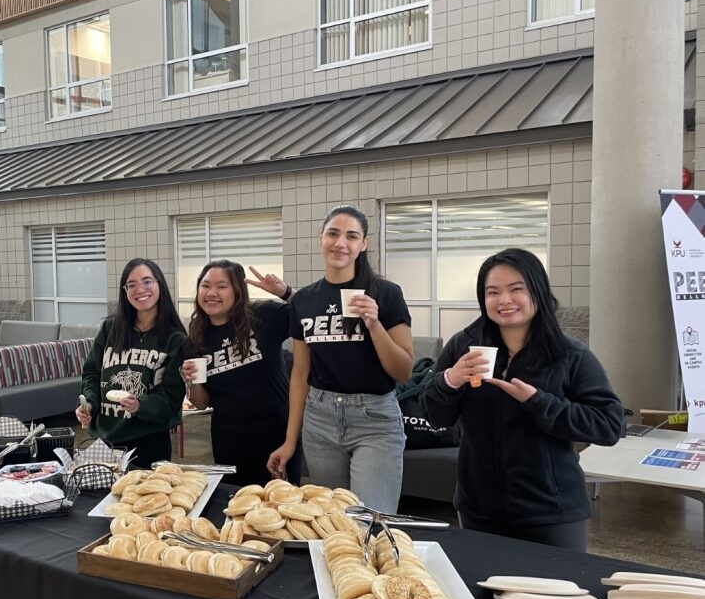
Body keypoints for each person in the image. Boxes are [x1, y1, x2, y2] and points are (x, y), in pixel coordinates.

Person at [422, 248, 624, 552]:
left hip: (552, 512)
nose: (504, 300)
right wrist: (450, 380)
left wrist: (538, 402)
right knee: (483, 595)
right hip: (479, 509)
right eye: (493, 292)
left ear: (537, 291)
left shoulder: (568, 354)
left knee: (557, 596)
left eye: (516, 289)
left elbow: (609, 425)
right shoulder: (464, 346)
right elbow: (434, 415)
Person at [267, 205, 414, 514]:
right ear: (321, 239)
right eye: (333, 234)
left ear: (364, 244)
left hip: (374, 417)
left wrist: (374, 324)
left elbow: (402, 370)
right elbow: (300, 374)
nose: (340, 243)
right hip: (320, 418)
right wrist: (290, 441)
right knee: (331, 520)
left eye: (351, 236)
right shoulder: (304, 299)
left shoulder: (386, 294)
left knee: (370, 520)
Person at [179, 261, 295, 485]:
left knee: (281, 503)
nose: (212, 293)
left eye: (222, 286)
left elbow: (309, 311)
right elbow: (201, 403)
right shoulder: (194, 341)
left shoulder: (264, 316)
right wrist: (191, 381)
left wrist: (285, 292)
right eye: (205, 286)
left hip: (277, 433)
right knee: (235, 503)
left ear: (237, 291)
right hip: (229, 439)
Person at [77, 259, 187, 470]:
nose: (140, 290)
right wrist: (89, 403)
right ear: (125, 291)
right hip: (105, 440)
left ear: (159, 284)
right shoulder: (110, 329)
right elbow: (91, 373)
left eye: (147, 281)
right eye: (132, 285)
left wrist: (141, 405)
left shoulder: (175, 339)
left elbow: (172, 397)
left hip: (149, 442)